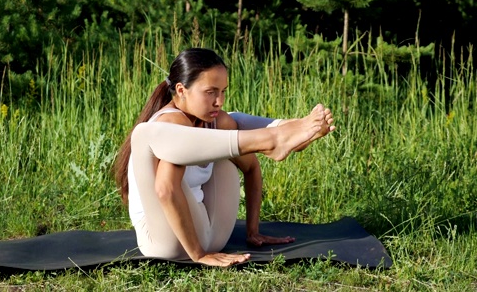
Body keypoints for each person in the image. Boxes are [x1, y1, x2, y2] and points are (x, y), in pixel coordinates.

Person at [113, 48, 335, 267]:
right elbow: (165, 190)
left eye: (223, 91)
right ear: (181, 90)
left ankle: (281, 133)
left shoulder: (216, 120)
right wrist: (198, 254)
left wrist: (253, 232)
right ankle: (275, 136)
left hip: (206, 238)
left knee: (227, 128)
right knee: (144, 134)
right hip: (162, 239)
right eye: (210, 92)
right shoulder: (170, 123)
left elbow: (251, 169)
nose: (219, 101)